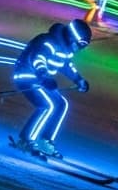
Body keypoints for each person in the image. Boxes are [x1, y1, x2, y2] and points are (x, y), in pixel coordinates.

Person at [11, 19, 92, 158]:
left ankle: (45, 141)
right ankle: (25, 139)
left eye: (82, 46)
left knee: (61, 104)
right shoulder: (48, 42)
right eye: (79, 44)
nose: (79, 48)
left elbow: (66, 66)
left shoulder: (65, 49)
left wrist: (78, 79)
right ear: (72, 37)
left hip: (42, 80)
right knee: (47, 105)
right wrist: (44, 76)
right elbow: (37, 59)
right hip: (27, 76)